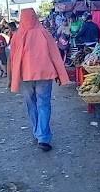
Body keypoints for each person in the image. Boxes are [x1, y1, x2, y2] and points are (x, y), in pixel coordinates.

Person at [9, 8, 69, 152]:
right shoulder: (44, 33)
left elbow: (12, 59)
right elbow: (55, 55)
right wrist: (60, 75)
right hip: (44, 75)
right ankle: (43, 137)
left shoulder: (17, 36)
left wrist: (11, 78)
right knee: (44, 104)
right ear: (35, 17)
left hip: (25, 77)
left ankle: (38, 132)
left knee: (31, 104)